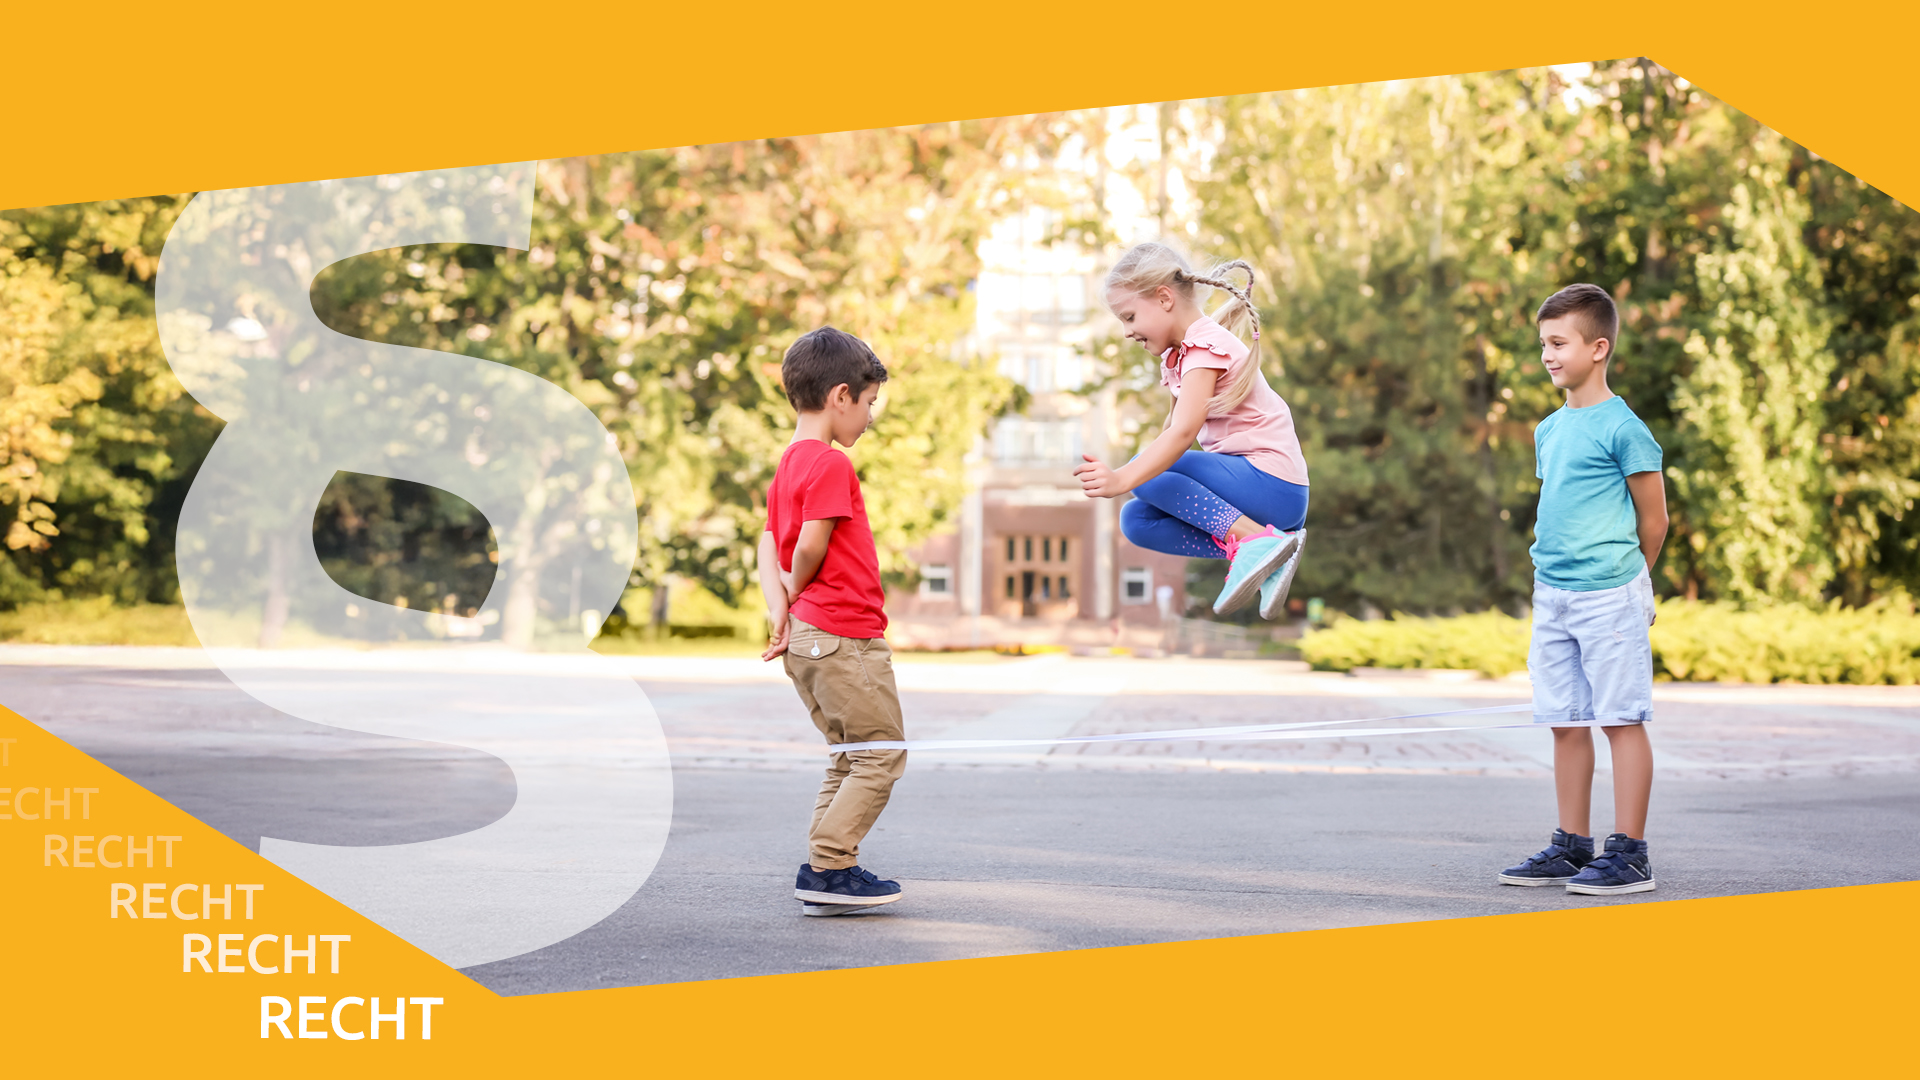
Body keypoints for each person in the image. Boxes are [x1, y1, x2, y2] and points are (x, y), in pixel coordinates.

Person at [1498, 283, 1668, 896]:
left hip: (1610, 596)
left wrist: (1635, 583)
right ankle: (1573, 846)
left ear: (1598, 348)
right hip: (1555, 595)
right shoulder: (1549, 429)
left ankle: (1631, 854)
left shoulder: (1625, 428)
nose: (1547, 354)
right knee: (1565, 721)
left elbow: (1655, 520)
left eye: (1558, 342)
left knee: (1620, 718)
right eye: (1543, 342)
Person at [1073, 241, 1310, 619]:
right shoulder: (1181, 357)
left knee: (1145, 472)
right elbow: (1169, 431)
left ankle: (1255, 540)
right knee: (1136, 520)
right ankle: (1264, 547)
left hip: (1274, 487)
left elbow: (1182, 434)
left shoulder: (1205, 347)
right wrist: (1135, 475)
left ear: (1164, 298)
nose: (1126, 332)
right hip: (1261, 497)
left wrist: (1121, 478)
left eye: (1129, 317)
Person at [757, 326, 907, 915]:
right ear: (841, 395)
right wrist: (795, 592)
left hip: (812, 634)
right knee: (883, 753)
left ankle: (825, 870)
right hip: (843, 632)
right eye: (869, 403)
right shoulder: (829, 464)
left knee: (849, 755)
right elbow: (810, 544)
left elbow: (768, 542)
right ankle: (828, 864)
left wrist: (780, 608)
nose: (870, 417)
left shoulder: (787, 465)